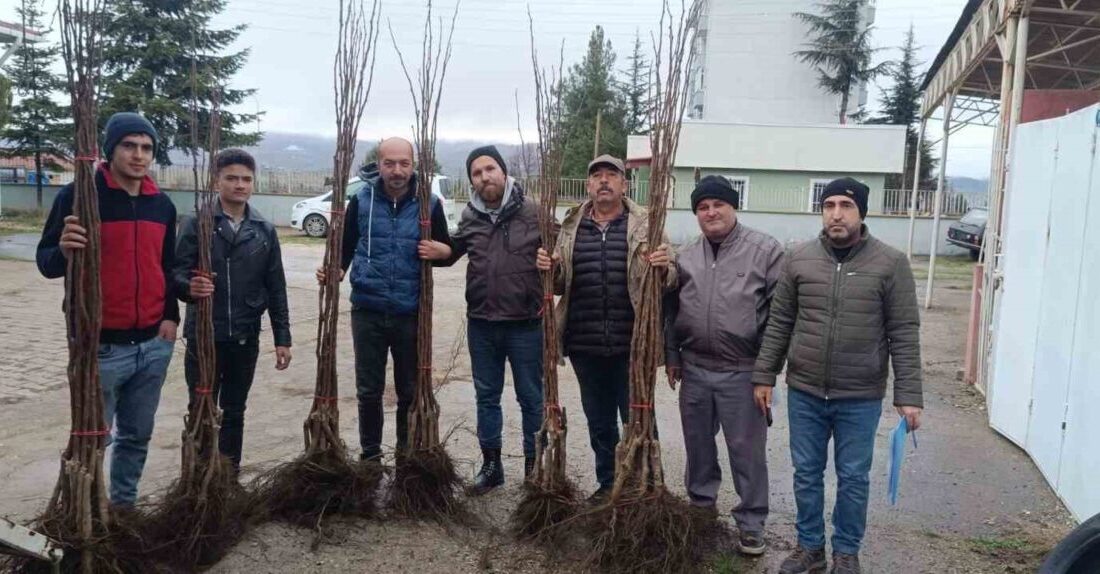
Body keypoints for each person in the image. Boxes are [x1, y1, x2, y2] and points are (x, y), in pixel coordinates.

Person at [753, 177, 924, 574]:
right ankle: (810, 547)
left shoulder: (890, 262)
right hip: (806, 391)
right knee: (806, 473)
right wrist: (764, 374)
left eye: (845, 205)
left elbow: (903, 330)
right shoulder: (799, 259)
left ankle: (846, 551)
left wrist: (909, 394)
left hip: (859, 395)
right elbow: (780, 322)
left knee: (853, 476)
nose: (835, 213)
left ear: (861, 212)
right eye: (828, 205)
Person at [36, 112, 179, 507]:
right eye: (129, 146)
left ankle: (123, 509)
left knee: (137, 435)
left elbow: (167, 268)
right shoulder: (80, 197)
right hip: (101, 346)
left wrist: (171, 317)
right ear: (110, 149)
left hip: (152, 344)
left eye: (147, 148)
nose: (138, 155)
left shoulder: (161, 205)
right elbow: (46, 261)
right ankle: (88, 510)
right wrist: (64, 249)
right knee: (94, 437)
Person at [536, 154, 675, 502]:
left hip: (633, 343)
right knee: (599, 421)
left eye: (610, 175)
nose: (603, 181)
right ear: (588, 185)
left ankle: (643, 485)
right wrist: (548, 269)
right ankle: (608, 483)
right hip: (585, 344)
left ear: (624, 184)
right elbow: (558, 284)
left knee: (639, 418)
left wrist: (663, 267)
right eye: (596, 175)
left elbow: (672, 276)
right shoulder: (570, 226)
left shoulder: (647, 224)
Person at [665, 175, 784, 556]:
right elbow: (672, 309)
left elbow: (780, 317)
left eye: (718, 204)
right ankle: (701, 510)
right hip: (696, 368)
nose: (711, 212)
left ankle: (751, 524)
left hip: (744, 370)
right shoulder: (686, 255)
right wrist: (672, 355)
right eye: (702, 207)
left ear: (733, 206)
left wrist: (766, 373)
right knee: (698, 446)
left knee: (746, 450)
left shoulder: (764, 251)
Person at [316, 137, 453, 461]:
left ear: (413, 165)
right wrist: (334, 271)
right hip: (368, 309)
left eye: (404, 163)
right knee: (368, 391)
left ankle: (406, 457)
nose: (397, 170)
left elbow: (447, 251)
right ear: (378, 165)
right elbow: (345, 250)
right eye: (389, 163)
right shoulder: (361, 201)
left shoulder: (428, 204)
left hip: (410, 311)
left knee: (408, 391)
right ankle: (371, 458)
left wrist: (441, 250)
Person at [434, 145, 546, 494]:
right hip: (482, 323)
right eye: (477, 174)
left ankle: (534, 466)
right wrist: (437, 252)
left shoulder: (534, 212)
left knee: (532, 397)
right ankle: (492, 465)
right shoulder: (470, 216)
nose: (485, 177)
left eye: (489, 169)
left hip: (525, 323)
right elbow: (453, 251)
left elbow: (563, 250)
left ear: (504, 171)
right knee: (487, 396)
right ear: (472, 181)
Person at [174, 148, 292, 473]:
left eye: (246, 179)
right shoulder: (197, 223)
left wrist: (283, 337)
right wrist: (189, 288)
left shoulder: (263, 231)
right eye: (232, 178)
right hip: (204, 335)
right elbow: (175, 272)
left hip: (244, 335)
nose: (239, 185)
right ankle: (198, 476)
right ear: (217, 180)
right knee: (201, 406)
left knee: (235, 410)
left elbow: (276, 287)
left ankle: (228, 476)